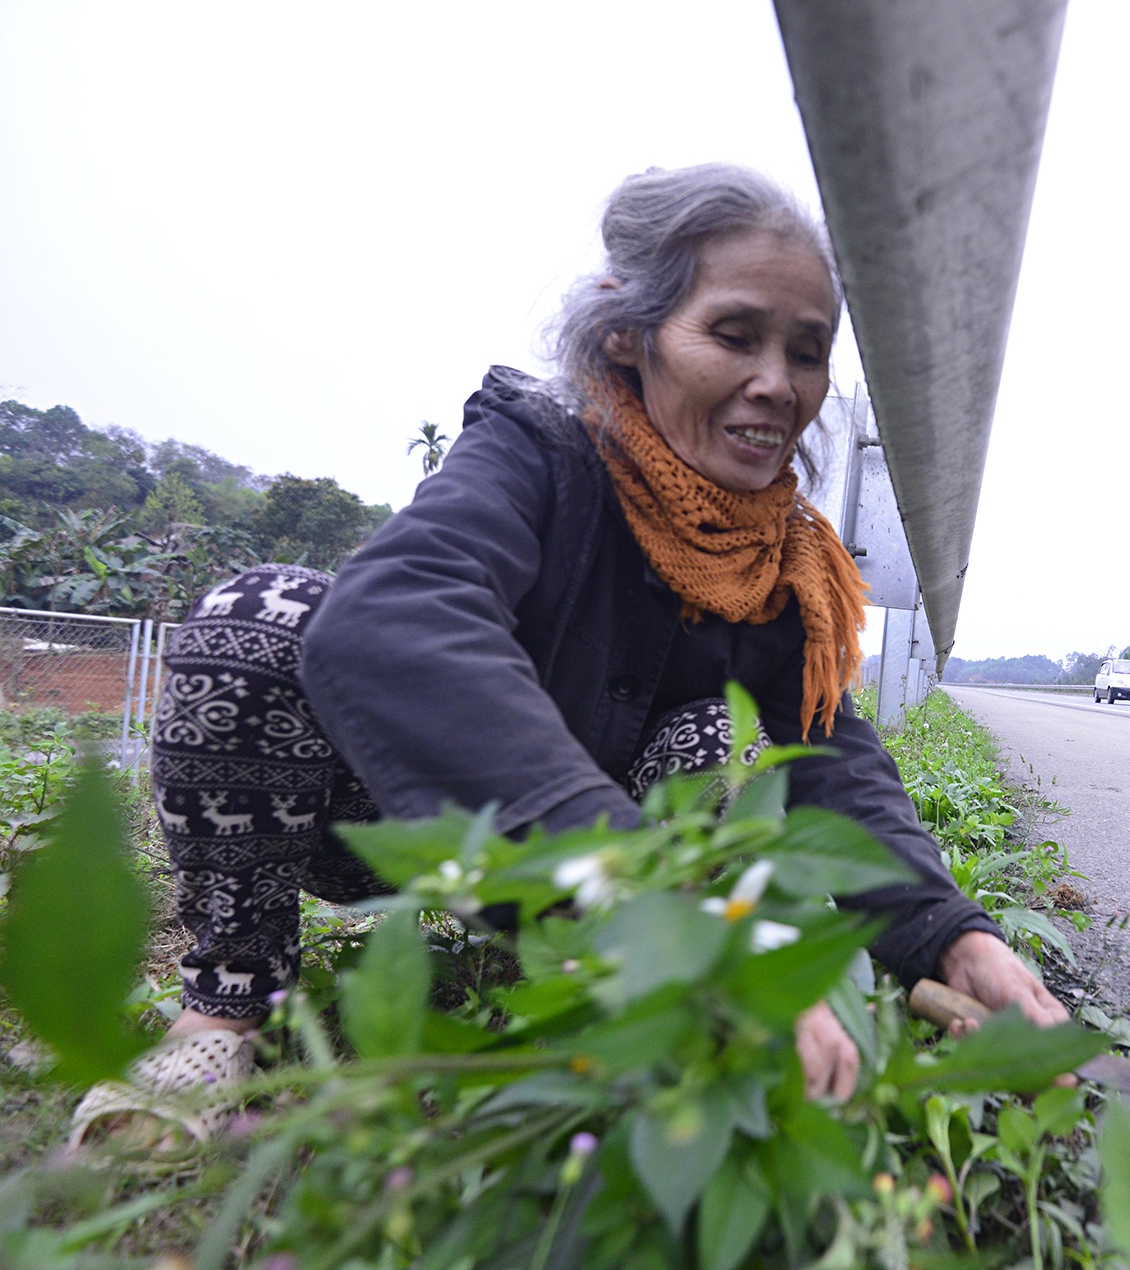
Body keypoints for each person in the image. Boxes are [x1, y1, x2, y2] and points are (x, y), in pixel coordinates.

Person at [74, 163, 1065, 1145]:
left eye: (807, 353)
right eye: (733, 334)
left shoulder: (783, 559)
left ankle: (607, 981)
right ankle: (225, 1006)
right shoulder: (540, 447)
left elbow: (829, 754)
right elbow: (397, 613)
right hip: (400, 823)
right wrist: (656, 903)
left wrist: (947, 928)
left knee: (748, 732)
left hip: (599, 887)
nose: (778, 382)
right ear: (628, 333)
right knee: (255, 618)